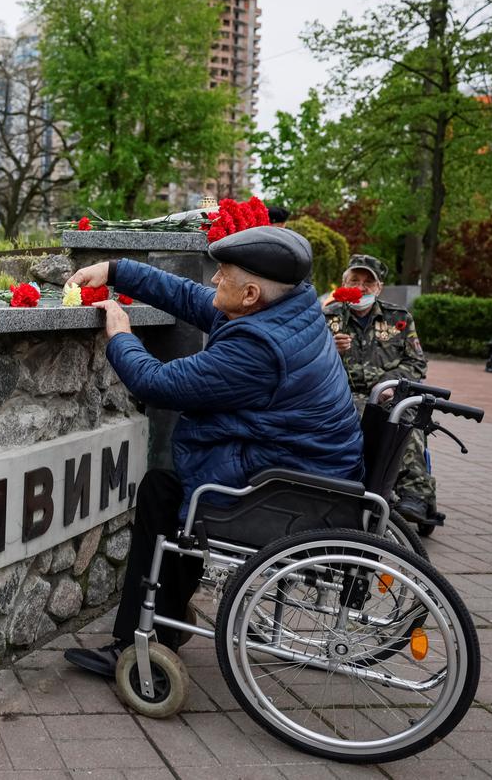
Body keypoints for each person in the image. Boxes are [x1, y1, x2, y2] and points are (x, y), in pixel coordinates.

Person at [63, 227, 364, 677]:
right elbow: (191, 299)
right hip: (305, 469)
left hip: (291, 492)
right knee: (171, 491)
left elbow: (158, 384)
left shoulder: (258, 348)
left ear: (250, 293)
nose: (212, 281)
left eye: (221, 274)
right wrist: (115, 271)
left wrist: (121, 335)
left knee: (164, 493)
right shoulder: (286, 310)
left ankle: (137, 643)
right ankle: (167, 618)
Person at [325, 254, 439, 526]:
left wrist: (390, 383)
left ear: (379, 287)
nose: (361, 287)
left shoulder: (398, 317)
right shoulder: (328, 318)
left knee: (405, 417)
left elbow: (416, 362)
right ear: (344, 283)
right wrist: (330, 347)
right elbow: (307, 362)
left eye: (368, 281)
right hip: (342, 397)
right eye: (355, 280)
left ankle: (416, 496)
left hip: (387, 395)